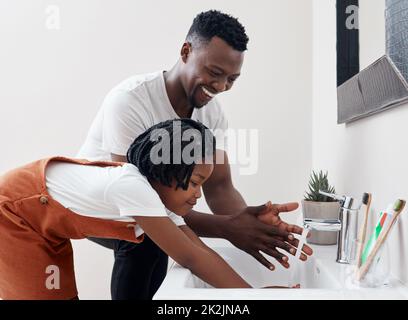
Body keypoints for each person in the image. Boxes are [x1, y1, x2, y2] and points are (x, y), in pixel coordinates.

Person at [77, 10, 313, 299]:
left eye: (232, 79)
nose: (221, 86)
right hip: (96, 207)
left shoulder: (211, 113)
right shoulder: (130, 100)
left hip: (145, 208)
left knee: (162, 238)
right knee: (147, 237)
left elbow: (221, 187)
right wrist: (228, 228)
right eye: (215, 73)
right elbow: (136, 202)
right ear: (185, 51)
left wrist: (247, 224)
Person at [0, 119, 300, 300]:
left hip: (43, 221)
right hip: (15, 214)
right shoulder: (132, 186)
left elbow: (201, 250)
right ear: (167, 169)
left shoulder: (156, 200)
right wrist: (254, 298)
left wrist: (255, 294)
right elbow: (189, 256)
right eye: (195, 182)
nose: (198, 195)